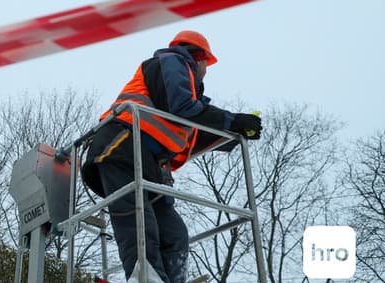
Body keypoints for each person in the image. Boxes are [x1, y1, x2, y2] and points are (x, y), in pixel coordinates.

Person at [80, 30, 263, 283]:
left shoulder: (184, 101)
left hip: (148, 165)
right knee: (140, 224)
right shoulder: (173, 62)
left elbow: (194, 134)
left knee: (174, 234)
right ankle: (146, 278)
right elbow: (183, 107)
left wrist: (234, 131)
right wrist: (232, 120)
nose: (206, 72)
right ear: (199, 58)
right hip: (120, 147)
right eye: (206, 66)